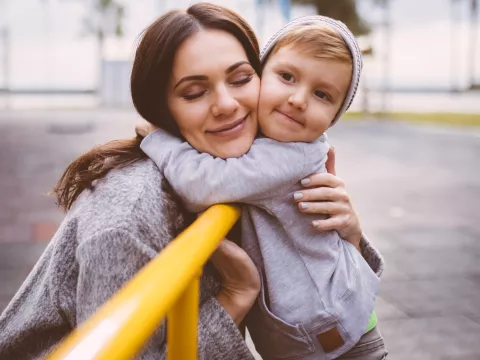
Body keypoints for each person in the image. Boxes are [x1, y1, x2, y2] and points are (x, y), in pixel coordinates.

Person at [0, 4, 383, 360]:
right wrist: (234, 298)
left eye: (240, 78)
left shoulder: (256, 158)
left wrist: (348, 233)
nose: (227, 104)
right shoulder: (127, 219)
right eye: (194, 92)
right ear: (159, 105)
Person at [138, 16, 386, 360]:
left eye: (322, 94)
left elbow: (202, 184)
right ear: (261, 74)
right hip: (338, 317)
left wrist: (158, 138)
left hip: (335, 341)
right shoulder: (272, 142)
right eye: (286, 77)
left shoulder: (289, 156)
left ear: (332, 119)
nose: (298, 99)